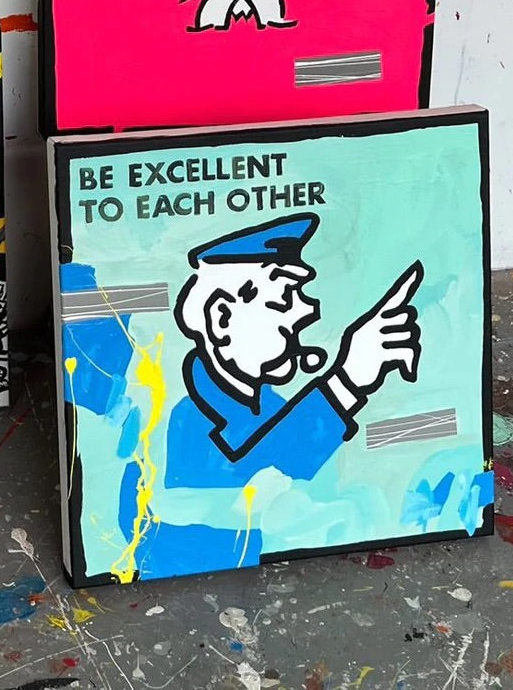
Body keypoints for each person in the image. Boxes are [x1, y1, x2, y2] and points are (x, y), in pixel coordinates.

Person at [112, 214, 422, 579]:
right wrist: (347, 379)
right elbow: (255, 476)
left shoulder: (272, 408)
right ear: (222, 318)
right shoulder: (184, 422)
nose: (308, 311)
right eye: (284, 299)